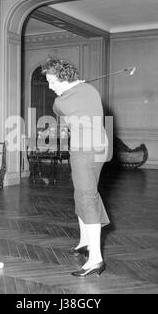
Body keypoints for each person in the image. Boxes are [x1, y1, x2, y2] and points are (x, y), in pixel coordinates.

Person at [41, 58, 110, 277]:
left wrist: (67, 91)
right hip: (100, 148)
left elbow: (56, 108)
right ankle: (84, 241)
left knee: (86, 197)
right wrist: (75, 86)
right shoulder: (90, 89)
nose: (50, 86)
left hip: (84, 150)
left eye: (51, 81)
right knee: (85, 194)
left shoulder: (62, 101)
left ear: (63, 77)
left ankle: (96, 260)